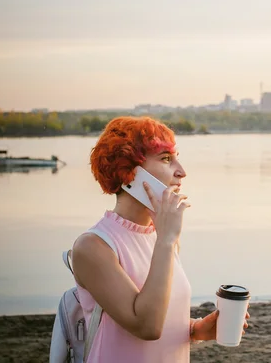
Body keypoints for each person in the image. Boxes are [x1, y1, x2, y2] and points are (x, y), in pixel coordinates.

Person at [71, 116, 249, 362]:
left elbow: (160, 312)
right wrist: (166, 240)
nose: (181, 172)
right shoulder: (93, 247)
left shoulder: (162, 235)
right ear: (130, 172)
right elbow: (146, 326)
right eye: (166, 159)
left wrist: (196, 329)